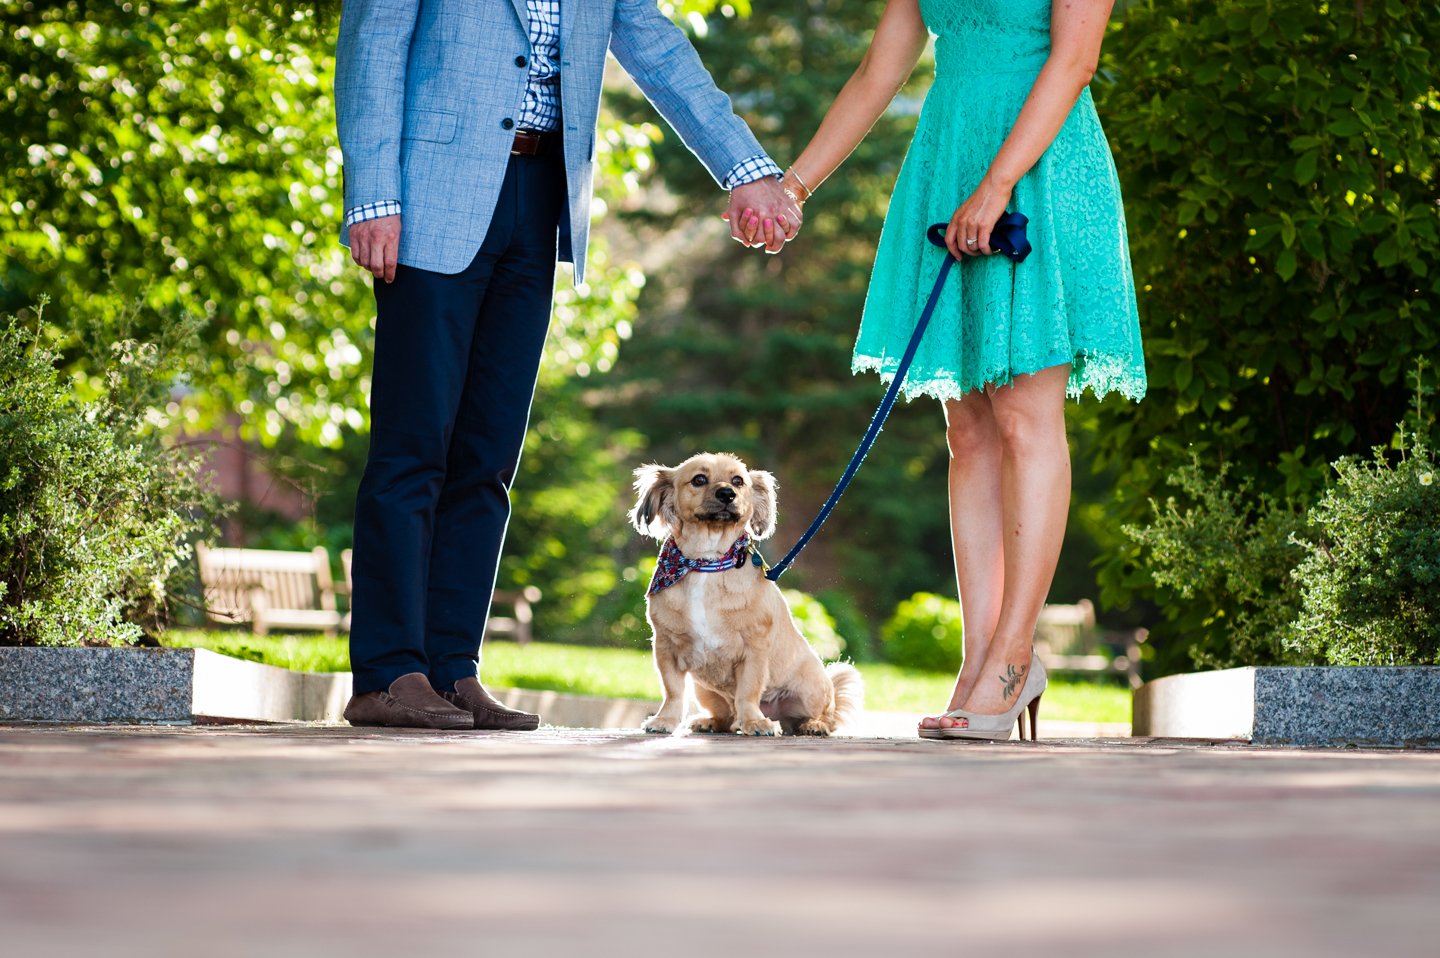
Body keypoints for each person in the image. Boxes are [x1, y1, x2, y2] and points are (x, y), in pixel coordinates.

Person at [334, 0, 801, 731]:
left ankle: (453, 670)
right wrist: (371, 196)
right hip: (430, 194)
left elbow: (660, 51)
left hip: (541, 198)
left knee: (487, 457)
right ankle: (388, 674)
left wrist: (747, 171)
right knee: (413, 446)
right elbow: (373, 47)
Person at [779, 0, 1145, 739]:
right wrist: (794, 186)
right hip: (949, 154)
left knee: (1022, 415)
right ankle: (981, 659)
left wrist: (1000, 183)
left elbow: (1073, 61)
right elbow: (879, 71)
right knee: (969, 430)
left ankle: (1014, 656)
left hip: (1037, 163)